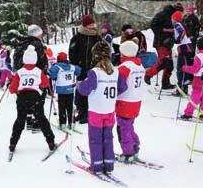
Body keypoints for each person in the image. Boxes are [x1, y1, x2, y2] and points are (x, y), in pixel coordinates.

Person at [78, 41, 127, 175]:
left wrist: (80, 84)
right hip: (110, 111)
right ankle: (109, 164)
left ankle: (97, 166)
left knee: (95, 139)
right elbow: (123, 87)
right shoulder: (116, 71)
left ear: (95, 56)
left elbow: (85, 90)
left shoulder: (95, 72)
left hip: (96, 112)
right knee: (107, 138)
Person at [8, 45, 56, 153]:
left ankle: (13, 143)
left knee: (20, 120)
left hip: (22, 96)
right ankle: (51, 142)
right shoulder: (38, 71)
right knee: (41, 118)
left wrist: (16, 91)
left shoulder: (20, 72)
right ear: (35, 59)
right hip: (35, 96)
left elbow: (12, 88)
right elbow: (45, 83)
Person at [12, 24, 49, 130]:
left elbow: (15, 59)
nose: (41, 36)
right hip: (35, 74)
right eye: (40, 34)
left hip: (22, 75)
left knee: (25, 95)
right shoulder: (37, 44)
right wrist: (44, 71)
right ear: (37, 34)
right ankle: (37, 120)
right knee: (38, 96)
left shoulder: (21, 43)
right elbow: (42, 60)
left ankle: (28, 118)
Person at [115, 40, 145, 163]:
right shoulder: (139, 65)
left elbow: (118, 84)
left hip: (125, 101)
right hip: (136, 100)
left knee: (123, 127)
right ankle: (134, 145)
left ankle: (128, 152)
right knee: (129, 125)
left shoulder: (125, 67)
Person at [68, 15, 102, 124]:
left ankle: (89, 113)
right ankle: (82, 112)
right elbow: (72, 52)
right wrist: (75, 65)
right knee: (81, 91)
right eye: (90, 24)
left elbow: (102, 51)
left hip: (94, 69)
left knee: (92, 91)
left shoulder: (97, 37)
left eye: (93, 24)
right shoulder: (77, 37)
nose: (92, 26)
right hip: (81, 69)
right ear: (85, 25)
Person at [180, 37, 203, 120]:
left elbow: (195, 69)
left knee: (194, 99)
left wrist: (185, 68)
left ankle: (188, 113)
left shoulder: (199, 56)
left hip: (199, 80)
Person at [145, 5, 176, 89]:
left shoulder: (172, 17)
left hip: (168, 43)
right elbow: (153, 25)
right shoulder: (161, 15)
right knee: (163, 62)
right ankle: (148, 74)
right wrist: (163, 30)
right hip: (161, 43)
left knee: (170, 65)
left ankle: (165, 83)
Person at [49, 52, 81, 129]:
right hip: (70, 90)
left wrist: (54, 76)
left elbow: (52, 74)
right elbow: (78, 70)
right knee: (70, 107)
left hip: (61, 91)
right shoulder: (72, 67)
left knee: (62, 107)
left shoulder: (57, 67)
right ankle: (71, 122)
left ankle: (62, 123)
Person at [171, 10, 194, 96]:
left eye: (172, 18)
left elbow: (182, 32)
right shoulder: (181, 24)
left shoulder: (177, 24)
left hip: (184, 48)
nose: (172, 20)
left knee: (181, 69)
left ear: (175, 18)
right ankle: (184, 87)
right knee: (184, 68)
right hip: (187, 47)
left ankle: (181, 89)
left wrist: (177, 40)